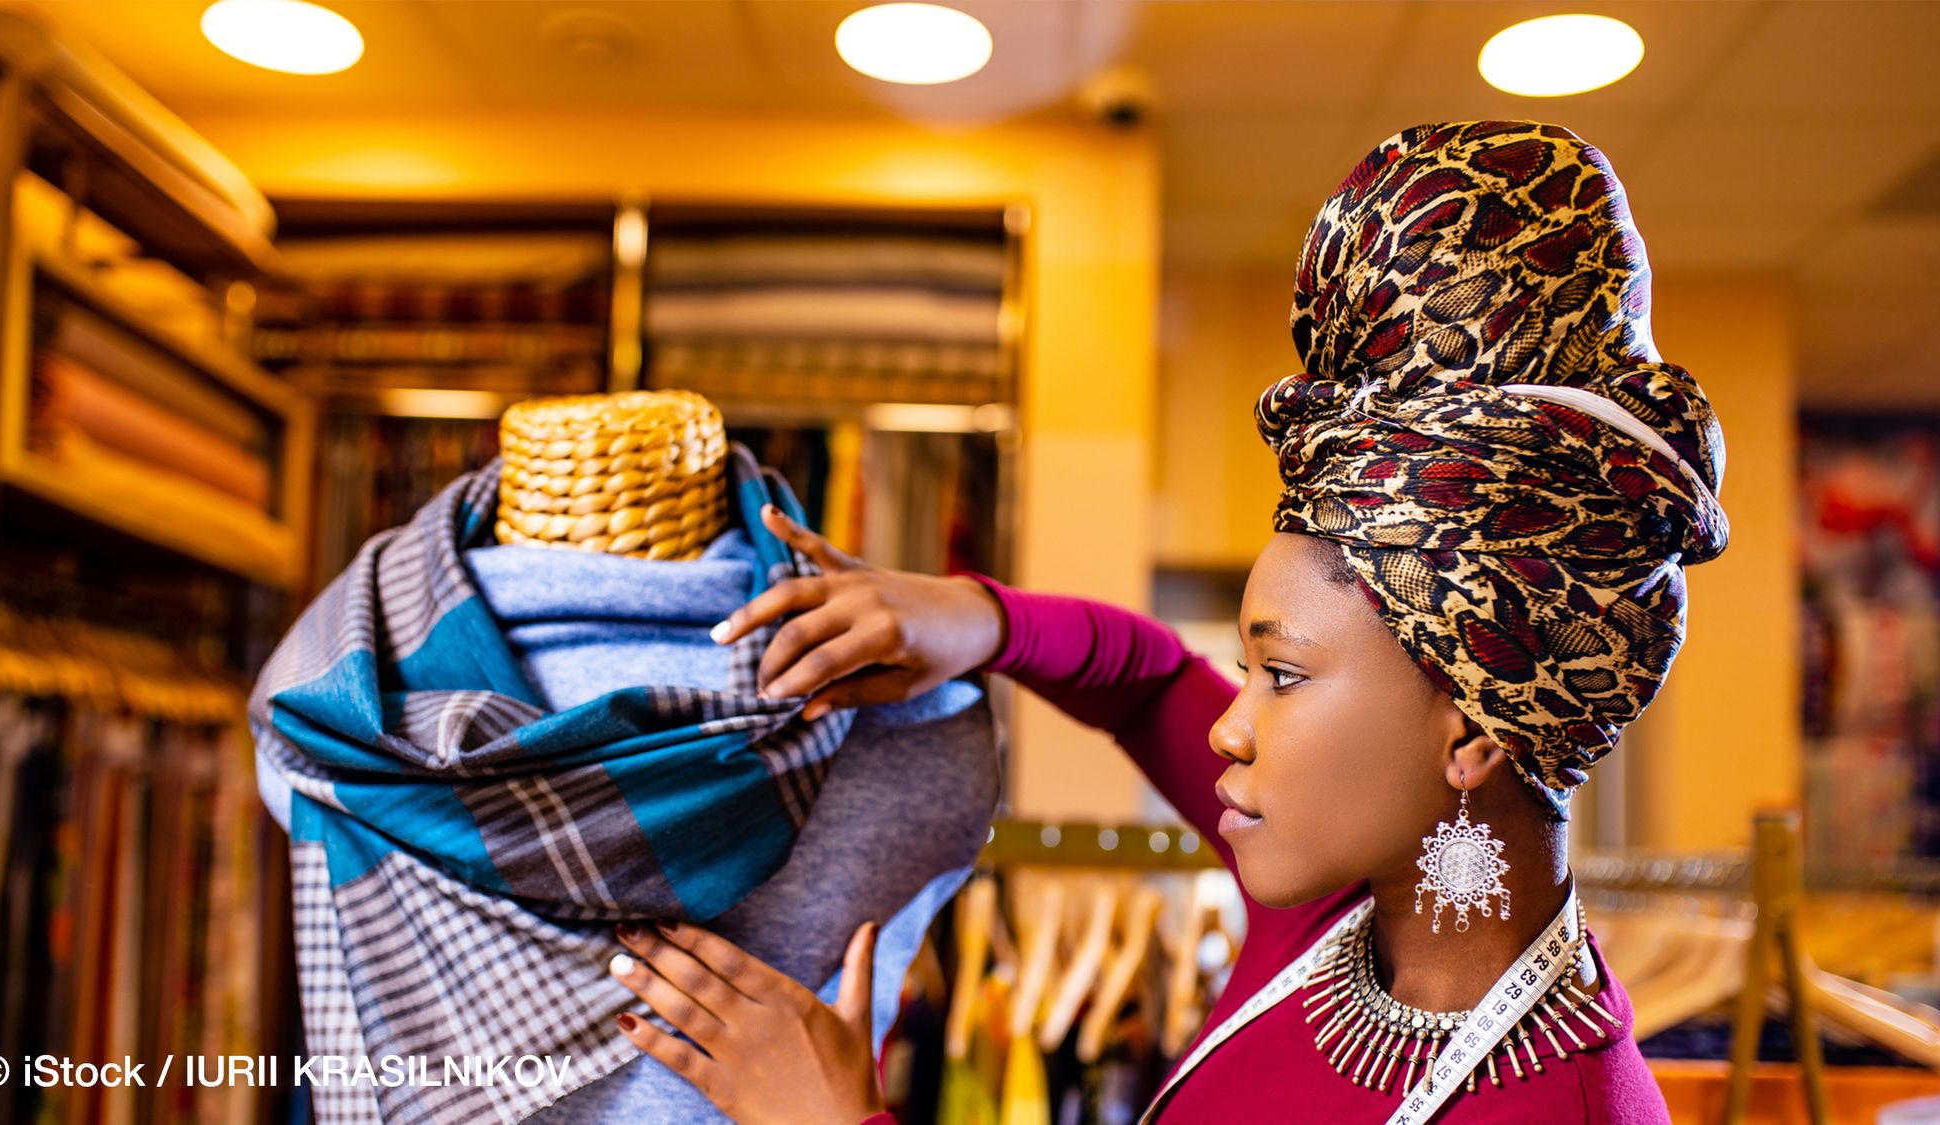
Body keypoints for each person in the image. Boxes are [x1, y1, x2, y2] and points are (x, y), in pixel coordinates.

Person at [602, 121, 1720, 1124]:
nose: (1227, 730)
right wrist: (964, 618)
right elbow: (1140, 677)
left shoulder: (1563, 1111)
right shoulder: (1330, 917)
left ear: (1470, 728)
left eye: (1280, 677)